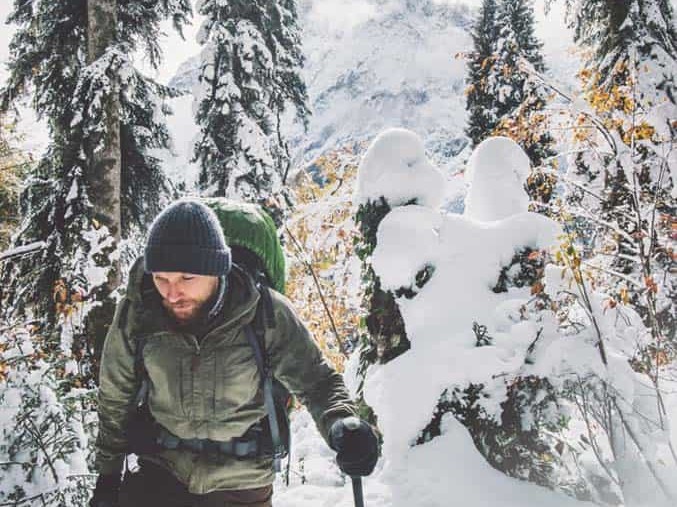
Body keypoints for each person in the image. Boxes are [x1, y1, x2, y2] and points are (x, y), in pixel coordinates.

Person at [89, 200, 379, 507]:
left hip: (242, 483)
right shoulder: (139, 312)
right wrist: (107, 478)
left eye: (187, 279)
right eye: (162, 279)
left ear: (216, 271)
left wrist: (341, 423)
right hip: (161, 472)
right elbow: (115, 398)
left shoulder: (265, 312)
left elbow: (317, 382)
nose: (172, 294)